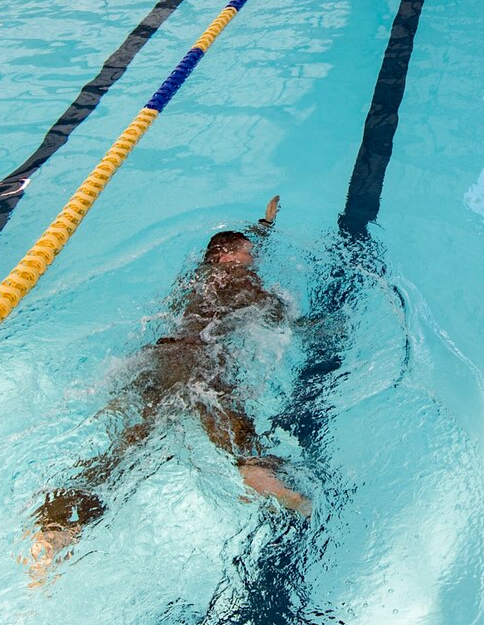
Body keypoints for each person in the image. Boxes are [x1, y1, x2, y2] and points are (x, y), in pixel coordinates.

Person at [28, 197, 311, 580]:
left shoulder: (197, 276)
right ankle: (255, 470)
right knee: (234, 432)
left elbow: (231, 254)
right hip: (199, 359)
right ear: (229, 256)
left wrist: (265, 225)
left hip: (161, 356)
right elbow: (274, 312)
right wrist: (306, 324)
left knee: (129, 446)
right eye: (249, 252)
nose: (254, 259)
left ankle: (60, 524)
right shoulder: (238, 276)